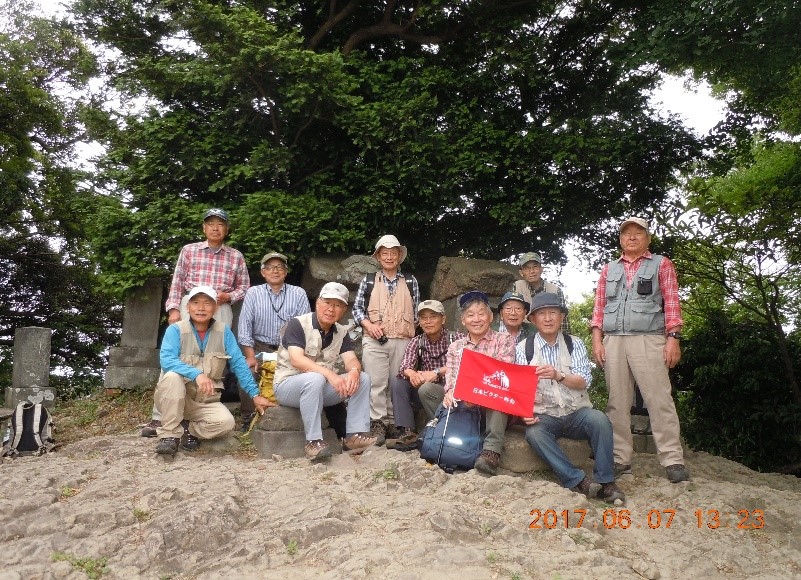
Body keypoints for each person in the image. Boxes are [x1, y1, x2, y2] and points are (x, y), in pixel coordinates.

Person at [591, 217, 689, 483]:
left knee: (659, 399)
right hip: (614, 340)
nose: (632, 237)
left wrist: (673, 338)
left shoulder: (661, 263)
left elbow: (672, 302)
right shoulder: (608, 269)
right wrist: (597, 340)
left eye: (638, 233)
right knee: (617, 402)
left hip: (649, 338)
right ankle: (620, 458)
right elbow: (599, 308)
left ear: (647, 238)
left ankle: (672, 459)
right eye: (626, 233)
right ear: (620, 239)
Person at [142, 208, 250, 437]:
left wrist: (228, 296)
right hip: (189, 303)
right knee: (175, 356)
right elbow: (177, 281)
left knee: (216, 357)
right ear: (203, 228)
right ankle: (160, 416)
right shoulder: (189, 250)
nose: (215, 228)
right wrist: (173, 309)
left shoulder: (236, 256)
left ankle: (202, 409)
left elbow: (244, 287)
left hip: (220, 306)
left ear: (227, 229)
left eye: (220, 224)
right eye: (210, 224)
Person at [516, 293, 625, 503]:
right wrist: (524, 413)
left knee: (600, 420)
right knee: (535, 434)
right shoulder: (523, 348)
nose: (548, 318)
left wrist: (559, 375)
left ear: (562, 317)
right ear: (533, 320)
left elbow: (584, 381)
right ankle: (578, 480)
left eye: (553, 313)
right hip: (545, 414)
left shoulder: (575, 343)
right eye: (542, 314)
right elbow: (519, 388)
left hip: (576, 412)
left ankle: (606, 482)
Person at [154, 286, 270, 456]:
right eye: (196, 303)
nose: (201, 308)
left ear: (215, 308)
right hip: (175, 398)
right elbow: (167, 360)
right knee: (172, 377)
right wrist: (196, 374)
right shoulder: (175, 330)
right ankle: (169, 436)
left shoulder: (224, 332)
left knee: (226, 423)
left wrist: (255, 395)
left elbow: (239, 364)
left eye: (207, 303)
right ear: (187, 307)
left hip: (204, 401)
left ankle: (188, 430)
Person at [273, 282, 377, 461]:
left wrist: (354, 371)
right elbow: (297, 359)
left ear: (344, 310)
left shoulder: (341, 332)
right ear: (318, 303)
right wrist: (330, 375)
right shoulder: (298, 324)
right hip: (287, 386)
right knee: (315, 378)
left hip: (319, 388)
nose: (331, 309)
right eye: (327, 303)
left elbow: (351, 359)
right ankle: (313, 442)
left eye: (337, 305)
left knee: (363, 378)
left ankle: (353, 437)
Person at [352, 235, 420, 445]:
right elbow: (357, 309)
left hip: (403, 340)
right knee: (376, 383)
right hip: (374, 340)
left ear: (399, 256)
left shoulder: (411, 281)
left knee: (396, 383)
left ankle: (394, 423)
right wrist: (369, 325)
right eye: (385, 253)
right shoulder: (369, 280)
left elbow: (417, 313)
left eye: (393, 253)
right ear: (378, 257)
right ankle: (378, 423)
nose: (389, 257)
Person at [442, 291, 517, 476]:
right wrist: (450, 391)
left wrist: (474, 392)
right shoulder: (456, 346)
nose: (476, 319)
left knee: (500, 396)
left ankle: (491, 452)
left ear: (490, 317)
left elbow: (502, 373)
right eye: (470, 315)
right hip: (463, 400)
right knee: (428, 391)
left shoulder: (504, 340)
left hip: (490, 399)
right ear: (463, 320)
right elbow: (451, 375)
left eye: (481, 313)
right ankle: (450, 434)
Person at [237, 252, 311, 428]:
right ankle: (248, 417)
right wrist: (250, 356)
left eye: (279, 267)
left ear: (286, 272)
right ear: (263, 272)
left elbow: (306, 327)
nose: (275, 271)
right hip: (259, 347)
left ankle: (293, 416)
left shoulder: (298, 293)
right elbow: (244, 328)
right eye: (269, 267)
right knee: (247, 372)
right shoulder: (253, 293)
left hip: (289, 348)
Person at [388, 300, 464, 450]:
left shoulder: (456, 338)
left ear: (443, 319)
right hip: (424, 391)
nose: (428, 322)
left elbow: (465, 364)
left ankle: (440, 429)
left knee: (426, 388)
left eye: (433, 317)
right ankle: (408, 431)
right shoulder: (417, 341)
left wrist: (437, 372)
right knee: (398, 382)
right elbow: (404, 367)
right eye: (423, 318)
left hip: (450, 390)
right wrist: (412, 374)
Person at [513, 252, 570, 333]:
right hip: (525, 333)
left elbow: (563, 321)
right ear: (521, 273)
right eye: (527, 268)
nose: (531, 271)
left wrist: (565, 338)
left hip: (550, 334)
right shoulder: (517, 287)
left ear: (541, 269)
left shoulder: (555, 290)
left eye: (535, 267)